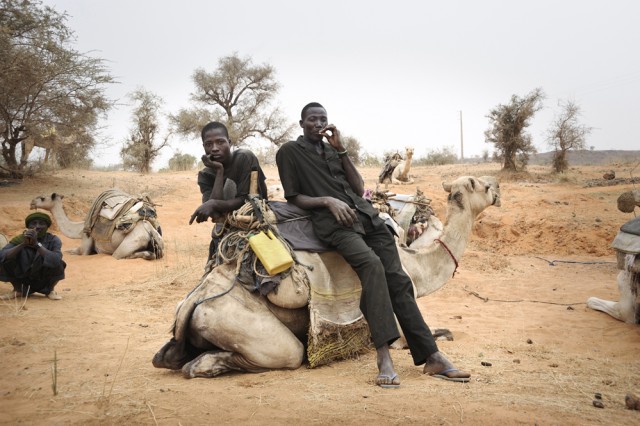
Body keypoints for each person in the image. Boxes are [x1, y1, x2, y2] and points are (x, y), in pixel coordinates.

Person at [276, 102, 471, 388]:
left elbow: (357, 189)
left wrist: (341, 150)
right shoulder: (289, 152)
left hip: (366, 217)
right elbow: (293, 196)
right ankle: (384, 356)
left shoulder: (333, 150)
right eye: (312, 119)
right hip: (334, 224)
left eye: (323, 119)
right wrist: (327, 201)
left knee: (399, 279)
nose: (318, 124)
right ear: (302, 123)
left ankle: (431, 356)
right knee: (372, 266)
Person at [190, 121, 268, 260]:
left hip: (255, 222)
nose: (214, 148)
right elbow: (215, 214)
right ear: (204, 147)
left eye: (220, 142)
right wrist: (219, 171)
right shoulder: (205, 175)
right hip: (225, 229)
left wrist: (213, 203)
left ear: (230, 142)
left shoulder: (244, 158)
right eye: (209, 144)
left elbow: (247, 200)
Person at [0, 212, 66, 300]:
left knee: (59, 263)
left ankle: (50, 290)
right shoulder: (18, 240)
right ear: (28, 226)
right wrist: (23, 244)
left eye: (42, 223)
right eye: (33, 223)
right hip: (22, 278)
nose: (37, 226)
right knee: (5, 259)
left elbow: (55, 260)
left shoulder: (53, 240)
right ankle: (18, 290)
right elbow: (3, 255)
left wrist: (36, 244)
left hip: (42, 278)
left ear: (47, 226)